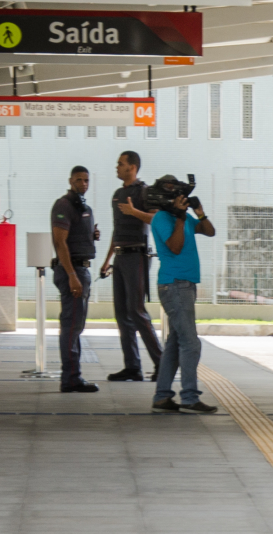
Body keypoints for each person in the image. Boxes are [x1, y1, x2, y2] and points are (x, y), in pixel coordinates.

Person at [144, 177, 218, 414]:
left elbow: (209, 231)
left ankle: (162, 396)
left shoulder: (183, 217)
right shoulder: (162, 219)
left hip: (184, 285)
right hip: (174, 285)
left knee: (175, 344)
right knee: (191, 343)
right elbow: (174, 246)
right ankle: (189, 397)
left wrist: (199, 212)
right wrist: (178, 217)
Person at [100, 151, 163, 383]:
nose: (117, 167)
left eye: (121, 164)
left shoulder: (144, 192)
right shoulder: (118, 194)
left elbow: (156, 220)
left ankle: (161, 362)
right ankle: (132, 367)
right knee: (121, 314)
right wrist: (107, 260)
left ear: (133, 167)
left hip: (137, 255)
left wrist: (134, 212)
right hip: (120, 257)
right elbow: (116, 231)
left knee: (136, 311)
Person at [50, 166, 101, 393]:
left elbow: (73, 238)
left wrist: (91, 236)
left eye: (86, 180)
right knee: (71, 325)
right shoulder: (64, 205)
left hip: (82, 270)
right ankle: (70, 378)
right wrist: (71, 276)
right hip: (73, 272)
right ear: (70, 180)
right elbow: (60, 242)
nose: (83, 183)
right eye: (79, 180)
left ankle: (73, 375)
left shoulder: (83, 207)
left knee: (76, 325)